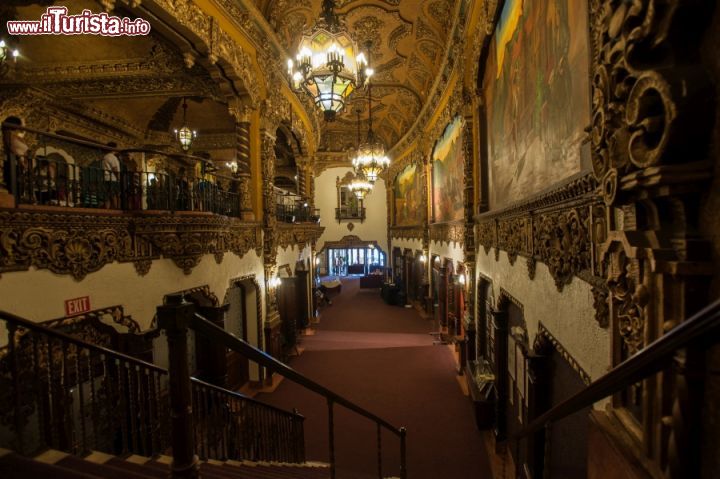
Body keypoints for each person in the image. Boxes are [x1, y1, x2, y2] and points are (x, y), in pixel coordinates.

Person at [102, 142, 121, 209]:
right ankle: (116, 210)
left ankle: (107, 210)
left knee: (107, 195)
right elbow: (115, 168)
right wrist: (118, 177)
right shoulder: (112, 157)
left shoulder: (105, 157)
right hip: (112, 178)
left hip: (106, 178)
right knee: (114, 195)